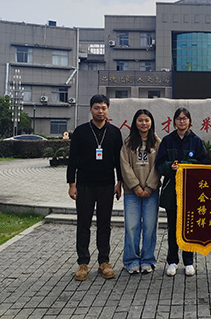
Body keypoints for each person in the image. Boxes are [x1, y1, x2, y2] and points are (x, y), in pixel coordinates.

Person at [67, 94, 123, 281]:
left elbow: (119, 160)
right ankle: (83, 263)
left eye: (104, 108)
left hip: (107, 184)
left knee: (104, 224)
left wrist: (120, 182)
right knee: (83, 223)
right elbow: (72, 159)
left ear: (108, 109)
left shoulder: (114, 132)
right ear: (91, 109)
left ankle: (104, 261)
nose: (100, 111)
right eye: (97, 108)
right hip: (84, 184)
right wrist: (71, 184)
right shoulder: (81, 131)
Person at [155, 107, 208, 277]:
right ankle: (172, 261)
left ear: (189, 121)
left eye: (185, 118)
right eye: (179, 118)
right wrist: (170, 167)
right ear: (174, 121)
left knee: (188, 227)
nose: (182, 121)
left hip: (191, 192)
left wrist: (187, 165)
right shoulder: (167, 140)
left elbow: (203, 163)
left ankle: (189, 261)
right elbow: (159, 164)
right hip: (172, 191)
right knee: (172, 227)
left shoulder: (196, 141)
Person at [120, 109, 161, 275]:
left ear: (151, 123)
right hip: (132, 193)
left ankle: (148, 260)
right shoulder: (128, 143)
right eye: (140, 120)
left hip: (151, 193)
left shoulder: (157, 143)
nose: (144, 123)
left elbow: (158, 166)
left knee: (150, 227)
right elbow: (124, 166)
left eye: (147, 120)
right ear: (135, 123)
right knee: (132, 227)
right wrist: (136, 186)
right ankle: (131, 260)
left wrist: (149, 187)